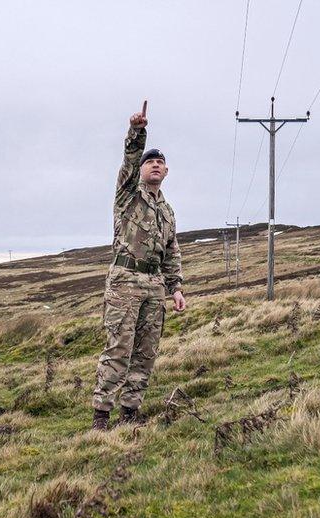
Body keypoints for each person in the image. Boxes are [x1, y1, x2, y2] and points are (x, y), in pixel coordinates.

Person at [92, 101, 187, 431]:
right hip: (125, 280)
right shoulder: (128, 194)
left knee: (146, 352)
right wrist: (137, 133)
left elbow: (172, 251)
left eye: (161, 163)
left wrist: (176, 288)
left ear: (167, 171)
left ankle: (131, 412)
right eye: (151, 162)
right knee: (119, 347)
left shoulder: (168, 210)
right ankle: (102, 415)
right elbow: (130, 162)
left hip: (154, 285)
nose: (156, 166)